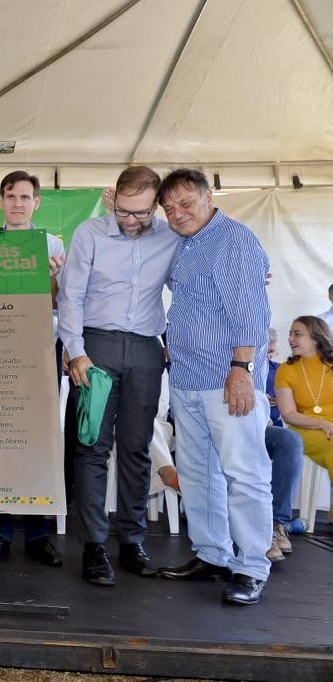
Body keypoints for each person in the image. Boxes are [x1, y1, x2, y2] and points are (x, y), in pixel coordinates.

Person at [57, 166, 181, 586]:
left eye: (141, 213)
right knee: (91, 446)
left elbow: (196, 277)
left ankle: (132, 542)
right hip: (96, 347)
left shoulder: (170, 236)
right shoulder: (90, 233)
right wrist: (76, 352)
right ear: (114, 199)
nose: (131, 221)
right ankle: (93, 546)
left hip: (147, 350)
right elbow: (70, 295)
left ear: (156, 203)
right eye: (124, 212)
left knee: (137, 448)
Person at [156, 168, 272, 606]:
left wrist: (241, 368)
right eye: (169, 208)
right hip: (187, 377)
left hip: (228, 380)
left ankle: (252, 566)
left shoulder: (234, 240)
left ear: (209, 198)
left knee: (245, 474)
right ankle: (212, 554)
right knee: (199, 473)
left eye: (186, 204)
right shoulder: (185, 244)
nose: (178, 214)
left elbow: (251, 313)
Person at [0, 171, 66, 567]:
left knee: (39, 441)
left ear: (37, 202)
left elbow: (57, 305)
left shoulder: (53, 245)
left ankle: (38, 534)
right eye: (11, 195)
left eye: (25, 196)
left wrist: (52, 279)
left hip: (39, 351)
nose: (18, 203)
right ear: (0, 201)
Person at [275, 316, 333, 525]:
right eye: (290, 334)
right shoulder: (285, 370)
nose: (290, 338)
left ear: (317, 337)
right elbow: (289, 414)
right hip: (304, 427)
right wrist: (322, 424)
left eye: (297, 334)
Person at [265, 327, 303, 561]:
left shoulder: (279, 372)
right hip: (230, 425)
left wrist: (274, 403)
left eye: (272, 352)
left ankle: (277, 521)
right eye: (266, 352)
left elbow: (287, 411)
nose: (269, 356)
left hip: (265, 428)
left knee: (290, 439)